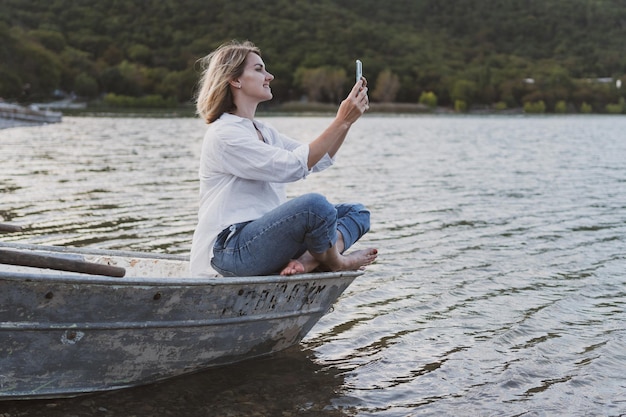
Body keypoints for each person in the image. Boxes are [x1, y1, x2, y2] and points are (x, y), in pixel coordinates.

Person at [190, 40, 377, 277]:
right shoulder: (224, 134)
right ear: (235, 80)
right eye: (259, 69)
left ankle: (308, 261)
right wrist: (340, 120)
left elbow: (317, 160)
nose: (269, 76)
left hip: (265, 241)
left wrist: (347, 122)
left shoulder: (264, 131)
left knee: (356, 212)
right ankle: (337, 262)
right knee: (315, 207)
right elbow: (292, 167)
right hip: (230, 249)